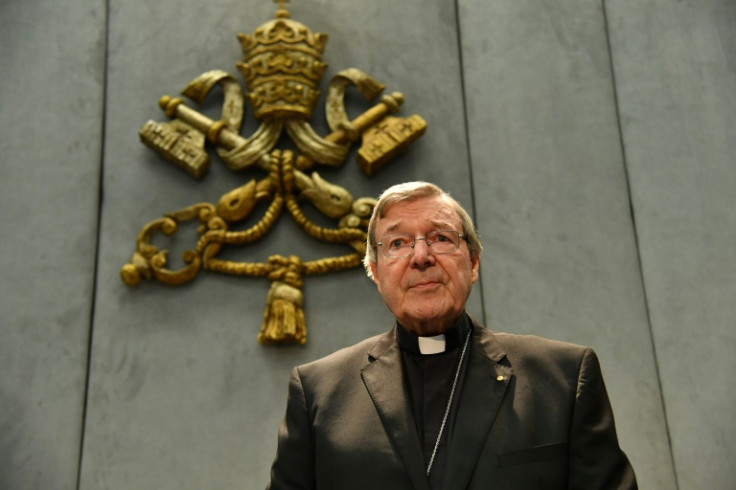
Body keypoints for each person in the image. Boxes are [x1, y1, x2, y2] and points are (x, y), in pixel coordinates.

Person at [266, 181, 637, 489]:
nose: (421, 256)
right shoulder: (319, 392)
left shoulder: (562, 378)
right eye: (397, 243)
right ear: (376, 273)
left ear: (473, 262)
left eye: (440, 238)